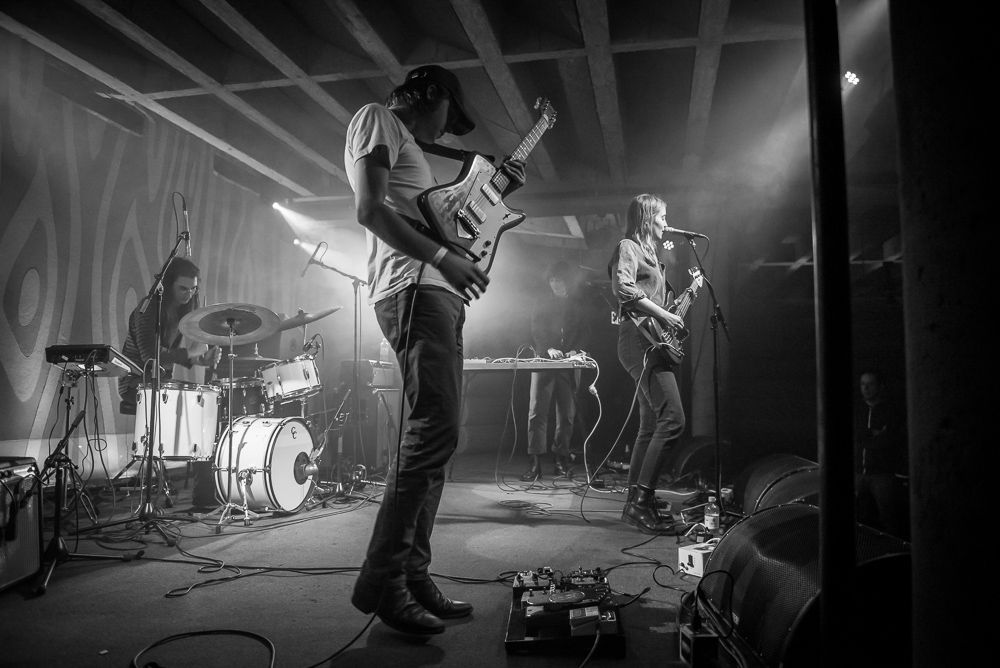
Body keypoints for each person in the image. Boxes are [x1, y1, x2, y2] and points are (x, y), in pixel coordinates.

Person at [344, 64, 526, 635]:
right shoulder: (377, 120)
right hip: (413, 288)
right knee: (432, 430)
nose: (450, 128)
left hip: (437, 291)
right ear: (430, 94)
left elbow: (450, 224)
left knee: (441, 437)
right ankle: (384, 580)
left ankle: (413, 573)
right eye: (450, 112)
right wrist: (443, 259)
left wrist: (496, 193)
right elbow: (371, 209)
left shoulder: (417, 156)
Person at [608, 194, 686, 534]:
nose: (666, 222)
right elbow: (623, 289)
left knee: (650, 425)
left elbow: (656, 305)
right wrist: (665, 313)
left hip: (648, 340)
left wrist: (680, 303)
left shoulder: (655, 257)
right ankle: (641, 501)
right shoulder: (629, 246)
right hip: (636, 340)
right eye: (662, 216)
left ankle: (634, 504)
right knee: (673, 419)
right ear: (646, 218)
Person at [118, 257, 218, 414]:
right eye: (183, 289)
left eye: (193, 289)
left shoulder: (181, 309)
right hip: (135, 383)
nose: (189, 294)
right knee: (188, 406)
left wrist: (198, 360)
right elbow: (150, 356)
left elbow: (170, 352)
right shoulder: (150, 307)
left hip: (162, 382)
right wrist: (191, 352)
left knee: (203, 400)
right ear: (168, 286)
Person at [520, 261, 590, 481]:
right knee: (536, 413)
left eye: (558, 280)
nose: (555, 284)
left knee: (566, 416)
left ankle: (561, 459)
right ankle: (535, 462)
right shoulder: (541, 301)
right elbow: (536, 329)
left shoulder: (578, 304)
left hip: (568, 365)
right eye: (552, 280)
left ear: (567, 281)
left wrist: (574, 350)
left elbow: (586, 331)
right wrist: (547, 348)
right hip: (543, 361)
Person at [854, 369, 909, 539]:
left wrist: (870, 437)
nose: (866, 388)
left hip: (883, 474)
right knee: (862, 518)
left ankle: (892, 556)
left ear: (880, 386)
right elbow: (856, 436)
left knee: (889, 519)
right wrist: (873, 434)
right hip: (858, 472)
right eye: (863, 384)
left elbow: (890, 439)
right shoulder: (857, 409)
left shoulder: (891, 410)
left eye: (870, 384)